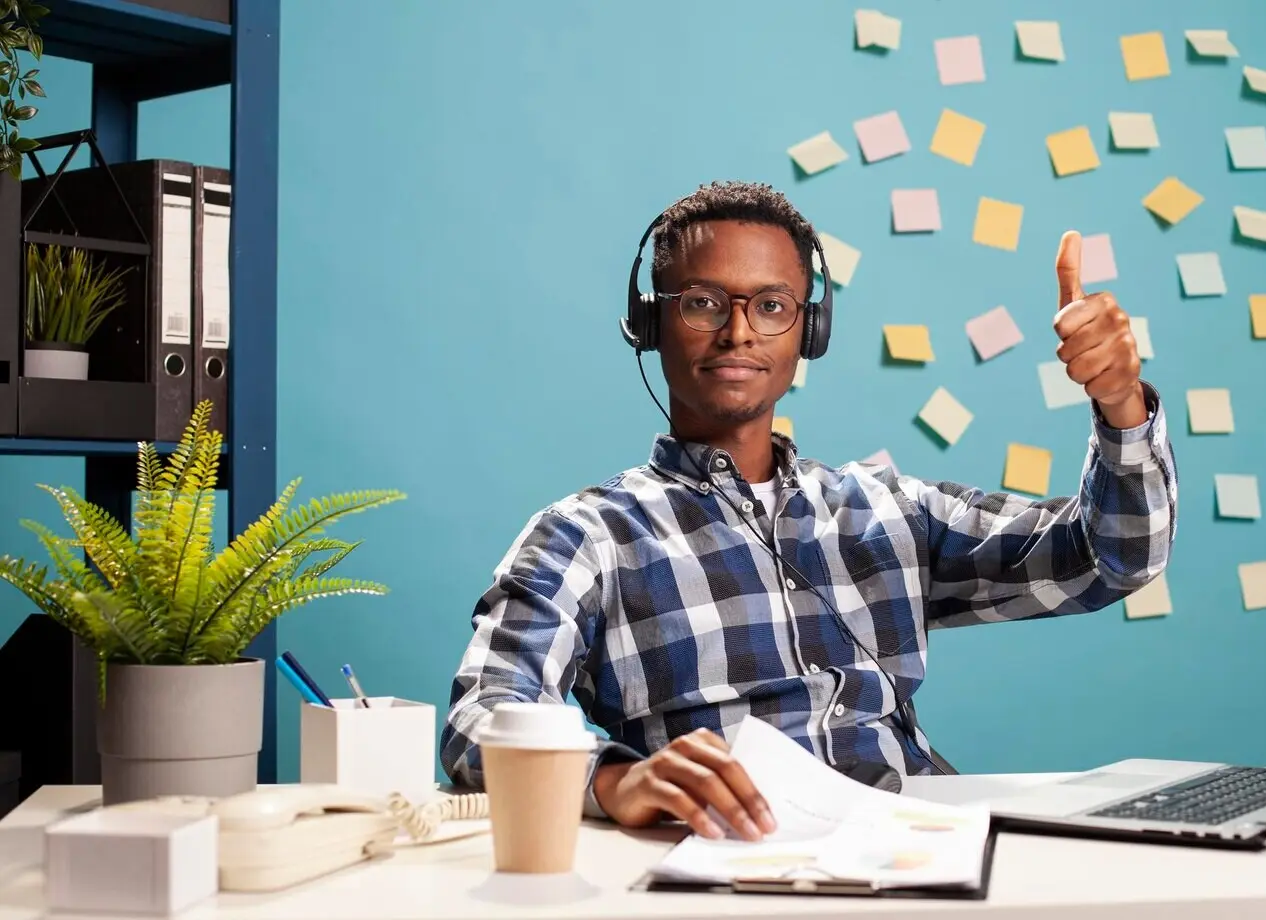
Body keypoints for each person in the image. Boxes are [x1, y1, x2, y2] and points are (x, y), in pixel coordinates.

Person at [440, 180, 1178, 842]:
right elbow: (480, 722)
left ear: (808, 331)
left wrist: (1119, 406)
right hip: (732, 869)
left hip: (922, 855)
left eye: (770, 306)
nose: (739, 332)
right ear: (650, 323)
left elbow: (1110, 558)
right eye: (702, 302)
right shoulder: (586, 536)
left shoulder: (887, 509)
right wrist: (613, 782)